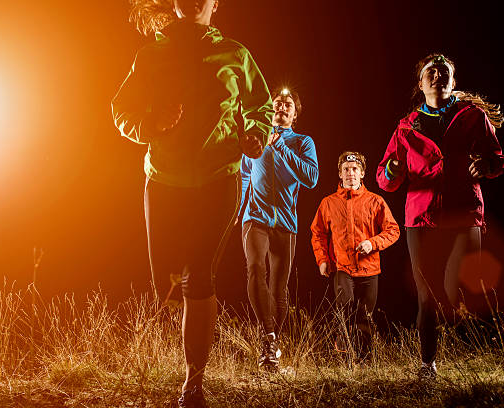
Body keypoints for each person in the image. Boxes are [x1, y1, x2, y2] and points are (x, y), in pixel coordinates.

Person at [112, 0, 272, 406]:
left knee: (199, 277)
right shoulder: (150, 54)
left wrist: (255, 134)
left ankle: (193, 383)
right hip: (163, 181)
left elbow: (260, 107)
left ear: (215, 4)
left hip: (219, 180)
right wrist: (152, 121)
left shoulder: (236, 55)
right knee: (165, 284)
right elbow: (122, 110)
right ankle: (184, 345)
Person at [376, 54, 504, 379]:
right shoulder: (406, 127)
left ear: (453, 81)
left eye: (444, 71)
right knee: (427, 295)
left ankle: (478, 346)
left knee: (459, 286)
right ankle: (428, 364)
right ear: (420, 84)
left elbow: (496, 157)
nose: (437, 75)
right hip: (421, 217)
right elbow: (385, 177)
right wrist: (392, 169)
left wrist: (487, 166)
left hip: (464, 213)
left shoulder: (473, 116)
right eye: (430, 72)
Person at [240, 88, 319, 370]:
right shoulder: (257, 137)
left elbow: (311, 178)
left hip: (286, 223)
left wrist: (281, 147)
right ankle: (268, 338)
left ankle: (273, 344)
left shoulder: (302, 142)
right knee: (255, 269)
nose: (282, 107)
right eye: (277, 104)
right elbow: (244, 174)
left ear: (295, 114)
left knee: (279, 287)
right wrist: (237, 212)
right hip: (255, 218)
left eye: (288, 105)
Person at [311, 152, 399, 360]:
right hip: (343, 268)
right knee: (345, 307)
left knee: (364, 316)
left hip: (370, 269)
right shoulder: (328, 203)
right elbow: (318, 233)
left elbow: (393, 230)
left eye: (354, 169)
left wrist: (372, 243)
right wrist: (323, 260)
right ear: (340, 175)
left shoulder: (376, 201)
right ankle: (343, 357)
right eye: (346, 170)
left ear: (362, 174)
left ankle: (364, 359)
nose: (350, 173)